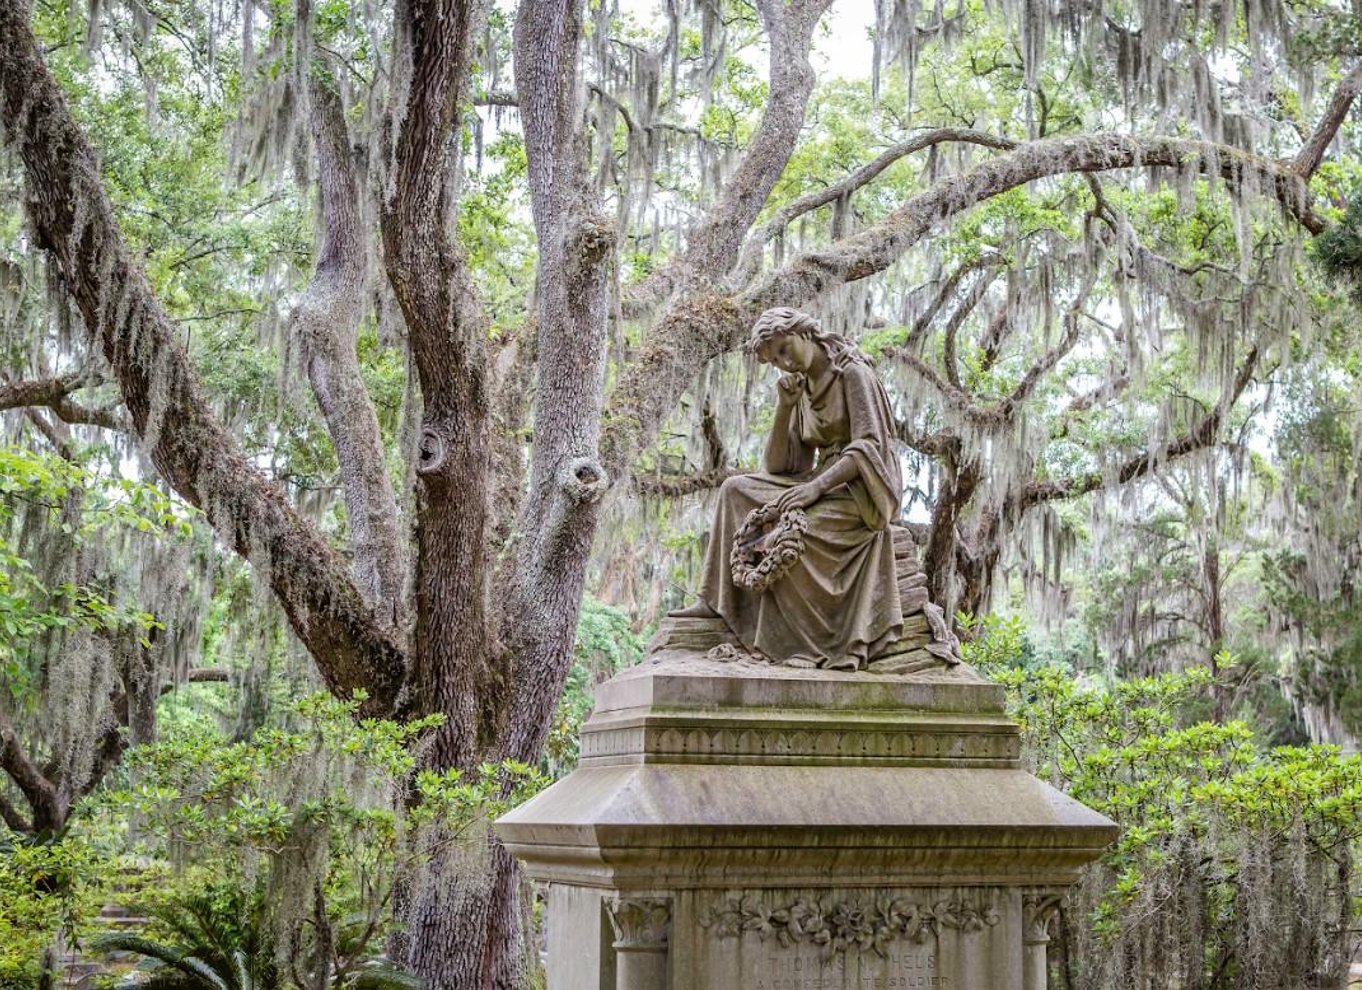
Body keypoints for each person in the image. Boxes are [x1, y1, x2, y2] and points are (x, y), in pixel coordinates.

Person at [673, 306, 904, 670]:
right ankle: (714, 601)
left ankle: (802, 642)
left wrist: (816, 489)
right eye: (774, 360)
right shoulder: (803, 387)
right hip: (817, 482)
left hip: (857, 492)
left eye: (783, 350)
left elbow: (870, 447)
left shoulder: (852, 372)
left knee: (789, 530)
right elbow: (781, 467)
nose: (783, 363)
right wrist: (785, 407)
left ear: (803, 332)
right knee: (735, 489)